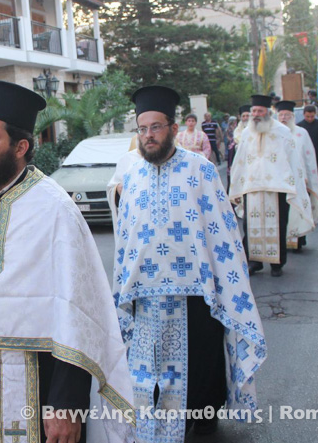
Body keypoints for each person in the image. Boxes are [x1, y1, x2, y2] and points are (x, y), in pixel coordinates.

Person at [0, 80, 134, 443]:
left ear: (21, 146)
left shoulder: (57, 211)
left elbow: (78, 314)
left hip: (41, 384)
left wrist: (67, 405)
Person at [111, 86, 266, 442]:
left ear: (174, 128)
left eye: (156, 127)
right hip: (147, 293)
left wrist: (227, 280)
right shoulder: (132, 177)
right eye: (142, 129)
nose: (148, 135)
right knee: (150, 363)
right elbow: (126, 239)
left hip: (196, 291)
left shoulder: (201, 170)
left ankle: (205, 413)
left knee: (202, 361)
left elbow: (223, 231)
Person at [229, 95, 313, 277]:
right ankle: (254, 262)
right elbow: (240, 161)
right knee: (251, 227)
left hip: (277, 186)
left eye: (260, 111)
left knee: (278, 226)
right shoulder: (246, 133)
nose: (256, 115)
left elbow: (293, 159)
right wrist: (236, 185)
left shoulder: (282, 131)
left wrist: (297, 182)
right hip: (252, 186)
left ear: (268, 112)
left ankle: (277, 263)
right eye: (253, 112)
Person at [276, 101, 318, 250]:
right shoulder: (273, 134)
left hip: (299, 178)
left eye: (287, 115)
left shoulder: (301, 133)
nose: (284, 118)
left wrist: (309, 178)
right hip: (279, 180)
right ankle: (283, 241)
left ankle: (298, 240)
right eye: (281, 115)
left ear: (292, 116)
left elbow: (309, 157)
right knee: (283, 212)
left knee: (297, 209)